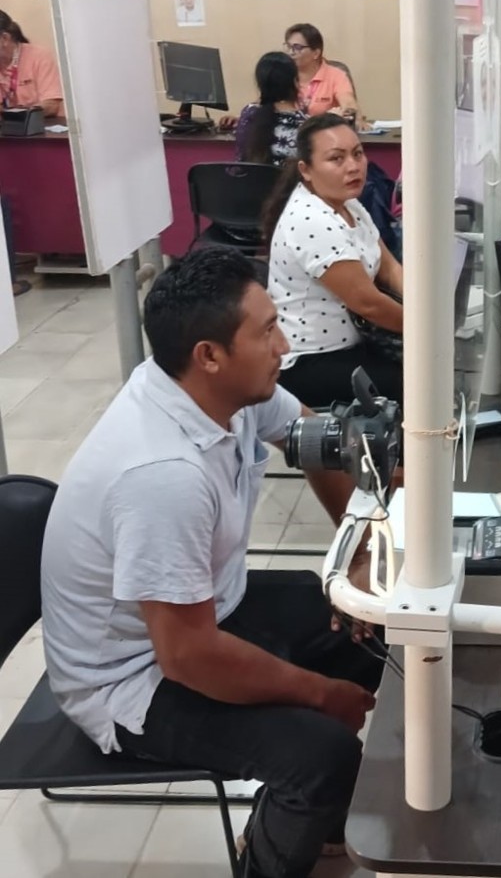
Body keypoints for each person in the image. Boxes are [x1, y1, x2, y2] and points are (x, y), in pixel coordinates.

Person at [39, 247, 384, 878]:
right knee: (324, 756)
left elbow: (318, 441)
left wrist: (360, 556)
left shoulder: (224, 391)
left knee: (371, 624)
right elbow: (188, 656)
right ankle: (280, 838)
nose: (285, 344)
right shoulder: (161, 474)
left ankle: (310, 823)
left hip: (204, 612)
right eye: (268, 331)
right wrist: (320, 694)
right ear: (210, 355)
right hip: (132, 680)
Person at [265, 113, 404, 405]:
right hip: (310, 359)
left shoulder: (349, 204)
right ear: (306, 170)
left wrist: (423, 306)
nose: (353, 166)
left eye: (358, 154)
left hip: (353, 343)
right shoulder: (311, 220)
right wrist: (427, 326)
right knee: (414, 382)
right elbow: (368, 304)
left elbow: (389, 266)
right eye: (336, 159)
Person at [237, 51, 307, 164]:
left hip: (251, 176)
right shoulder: (304, 124)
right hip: (289, 176)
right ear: (295, 82)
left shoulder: (249, 113)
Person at [284, 22, 360, 120]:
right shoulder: (282, 75)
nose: (291, 52)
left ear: (316, 53)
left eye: (297, 48)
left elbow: (349, 105)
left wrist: (344, 112)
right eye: (289, 47)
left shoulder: (336, 75)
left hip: (326, 128)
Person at [0, 9, 63, 117]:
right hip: (10, 125)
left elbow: (51, 105)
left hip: (46, 124)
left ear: (5, 38)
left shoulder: (39, 56)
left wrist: (17, 115)